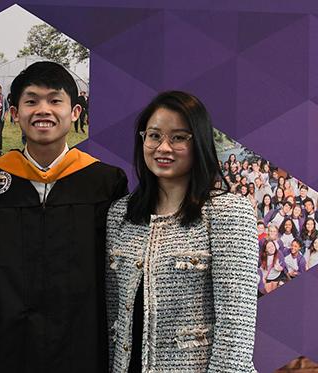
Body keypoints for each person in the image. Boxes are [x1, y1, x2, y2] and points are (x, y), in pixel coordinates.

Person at [0, 61, 128, 372]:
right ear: (15, 113)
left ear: (75, 112)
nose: (43, 110)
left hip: (82, 344)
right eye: (31, 101)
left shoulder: (105, 182)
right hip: (6, 346)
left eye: (54, 100)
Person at [106, 91, 258, 372]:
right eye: (153, 136)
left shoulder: (227, 212)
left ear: (198, 142)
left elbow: (236, 323)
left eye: (178, 137)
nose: (163, 147)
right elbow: (113, 312)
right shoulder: (121, 213)